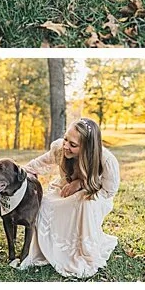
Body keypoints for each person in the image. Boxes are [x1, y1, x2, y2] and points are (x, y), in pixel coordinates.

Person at [16, 117, 120, 277]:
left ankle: (75, 250)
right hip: (63, 188)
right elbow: (37, 164)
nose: (66, 146)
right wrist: (20, 174)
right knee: (44, 204)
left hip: (92, 195)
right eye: (66, 139)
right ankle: (49, 247)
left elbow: (108, 192)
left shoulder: (106, 160)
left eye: (73, 145)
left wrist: (81, 184)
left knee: (83, 204)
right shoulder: (59, 148)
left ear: (87, 149)